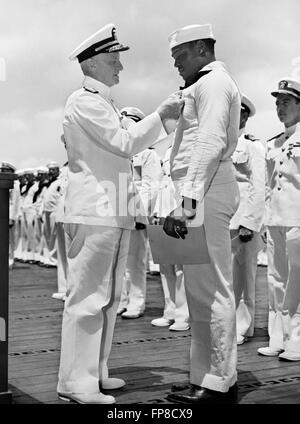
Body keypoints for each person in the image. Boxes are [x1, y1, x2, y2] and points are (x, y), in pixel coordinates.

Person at [57, 23, 183, 404]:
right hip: (95, 213)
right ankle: (76, 384)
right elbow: (125, 143)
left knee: (108, 298)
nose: (120, 68)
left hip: (113, 214)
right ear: (93, 64)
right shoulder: (85, 102)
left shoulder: (104, 104)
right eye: (114, 61)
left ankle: (96, 373)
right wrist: (162, 114)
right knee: (87, 299)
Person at [163, 24, 241, 404]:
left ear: (200, 49)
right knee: (198, 289)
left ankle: (218, 381)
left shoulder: (213, 83)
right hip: (199, 191)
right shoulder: (203, 83)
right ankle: (205, 375)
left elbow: (209, 142)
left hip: (207, 191)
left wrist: (188, 201)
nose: (176, 66)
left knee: (213, 288)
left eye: (180, 57)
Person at [257, 77, 300, 361]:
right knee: (276, 280)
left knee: (298, 281)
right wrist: (262, 219)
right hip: (275, 219)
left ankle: (295, 341)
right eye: (276, 103)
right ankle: (277, 338)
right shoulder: (273, 143)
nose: (279, 108)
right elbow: (266, 185)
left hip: (298, 218)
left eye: (285, 102)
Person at [117, 106, 163, 319]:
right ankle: (122, 299)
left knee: (135, 261)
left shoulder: (147, 154)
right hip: (120, 213)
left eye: (126, 121)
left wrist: (140, 214)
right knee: (121, 261)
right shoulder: (121, 152)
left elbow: (150, 186)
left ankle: (136, 302)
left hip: (136, 213)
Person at [230, 94, 265, 345]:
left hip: (242, 223)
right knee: (225, 279)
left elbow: (258, 186)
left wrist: (249, 223)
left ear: (245, 116)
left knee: (244, 278)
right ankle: (226, 324)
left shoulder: (252, 146)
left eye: (239, 113)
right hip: (221, 222)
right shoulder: (219, 143)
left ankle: (243, 327)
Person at [151, 147, 190, 331]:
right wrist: (157, 211)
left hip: (179, 212)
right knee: (165, 266)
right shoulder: (167, 151)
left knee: (182, 267)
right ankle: (170, 311)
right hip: (163, 211)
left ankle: (183, 316)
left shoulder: (191, 145)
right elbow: (162, 182)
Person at [0, 162, 20, 269]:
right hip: (3, 215)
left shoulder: (14, 186)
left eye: (4, 170)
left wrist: (11, 218)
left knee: (10, 240)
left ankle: (10, 260)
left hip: (9, 216)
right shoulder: (2, 183)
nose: (2, 172)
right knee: (3, 239)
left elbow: (15, 203)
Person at [42, 162, 61, 267]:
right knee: (47, 236)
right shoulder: (49, 182)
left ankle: (54, 260)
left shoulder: (60, 181)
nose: (51, 172)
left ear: (58, 170)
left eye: (53, 170)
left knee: (54, 236)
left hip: (55, 211)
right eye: (50, 170)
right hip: (47, 211)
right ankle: (48, 258)